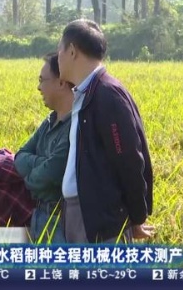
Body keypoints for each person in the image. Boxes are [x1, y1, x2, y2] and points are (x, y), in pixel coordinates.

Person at [57, 19, 154, 243]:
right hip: (80, 214)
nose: (57, 56)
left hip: (102, 221)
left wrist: (137, 216)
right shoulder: (85, 93)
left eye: (59, 49)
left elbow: (128, 159)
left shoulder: (106, 95)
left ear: (72, 51)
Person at [14, 53, 74, 243]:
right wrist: (41, 163)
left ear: (62, 82)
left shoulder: (75, 126)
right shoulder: (49, 122)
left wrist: (29, 178)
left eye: (42, 80)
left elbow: (53, 172)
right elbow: (20, 156)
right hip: (39, 216)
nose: (39, 87)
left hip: (62, 221)